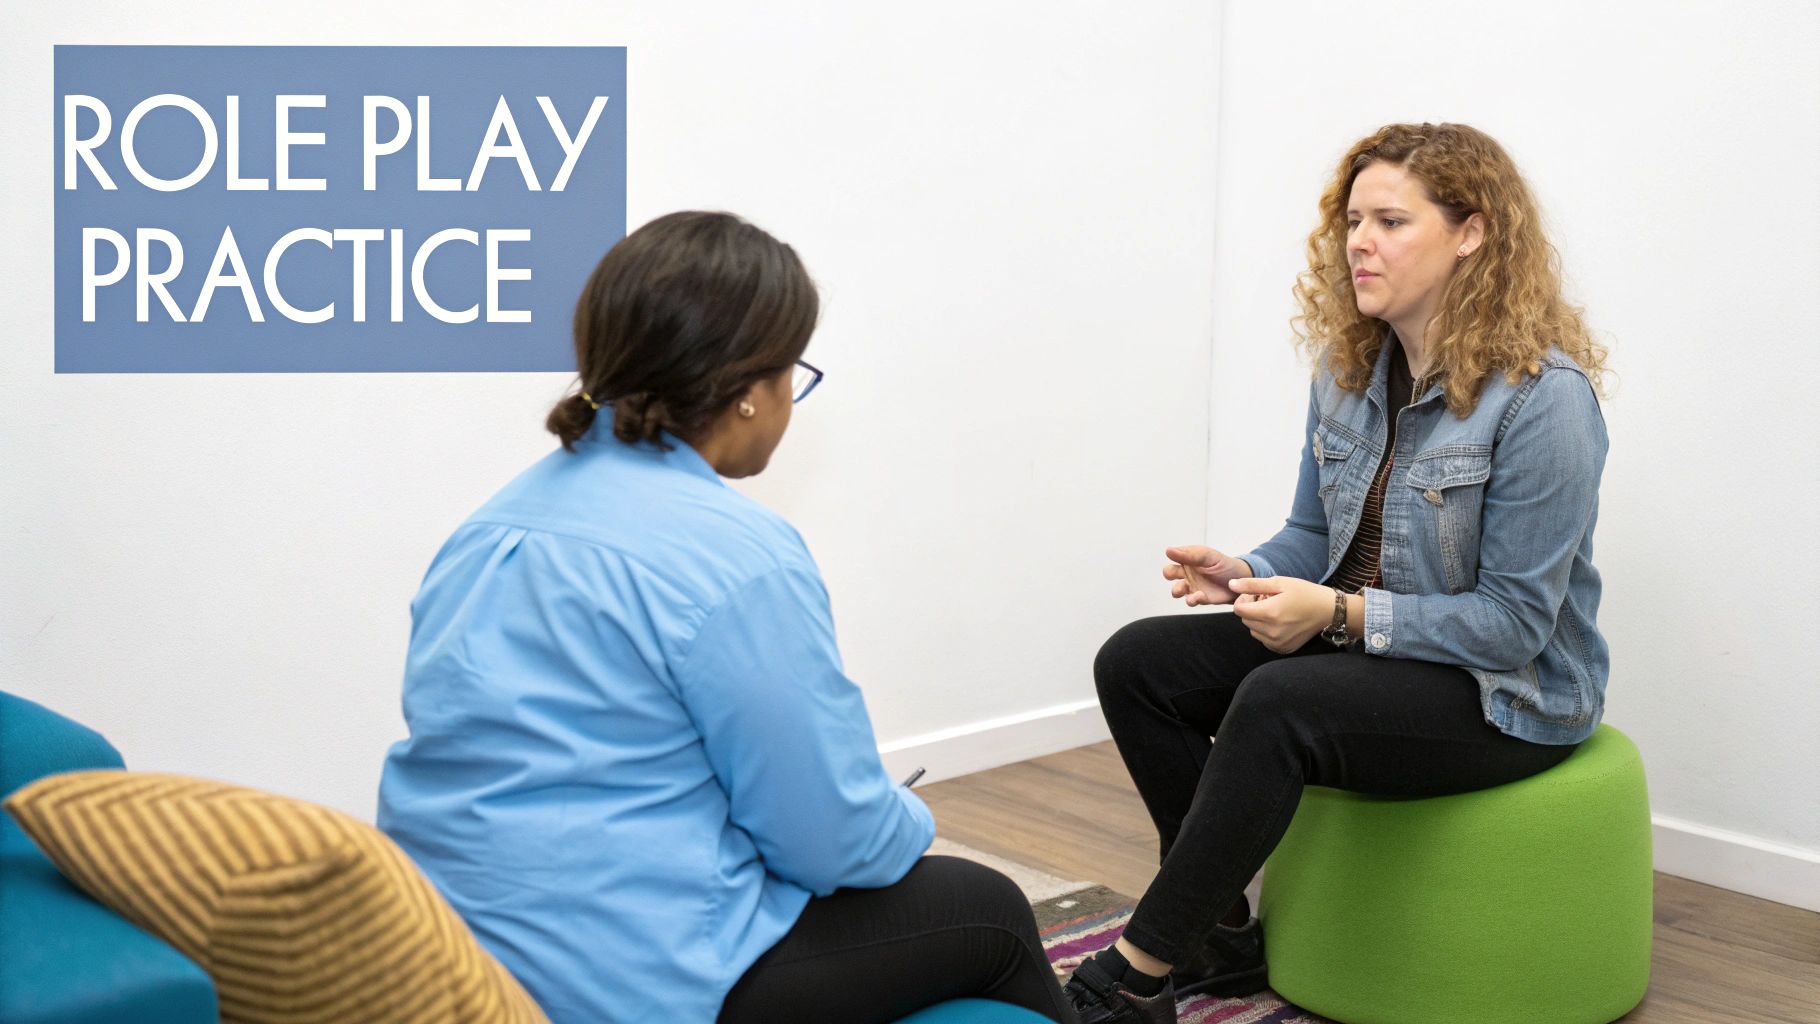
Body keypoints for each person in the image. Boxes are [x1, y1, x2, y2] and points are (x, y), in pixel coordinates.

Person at [377, 212, 1076, 1023]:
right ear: (747, 391)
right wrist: (905, 815)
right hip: (627, 980)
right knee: (985, 905)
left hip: (444, 947)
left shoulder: (487, 528)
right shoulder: (737, 555)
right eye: (791, 373)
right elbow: (833, 843)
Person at [1061, 123, 1612, 1023]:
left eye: (1391, 221)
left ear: (1471, 232)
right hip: (1363, 649)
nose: (1359, 241)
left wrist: (1341, 617)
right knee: (1137, 663)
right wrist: (1245, 571)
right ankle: (1219, 937)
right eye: (1353, 220)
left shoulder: (1545, 399)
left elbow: (1516, 625)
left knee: (1282, 704)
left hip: (1503, 694)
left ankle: (1133, 978)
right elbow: (1314, 537)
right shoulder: (1349, 367)